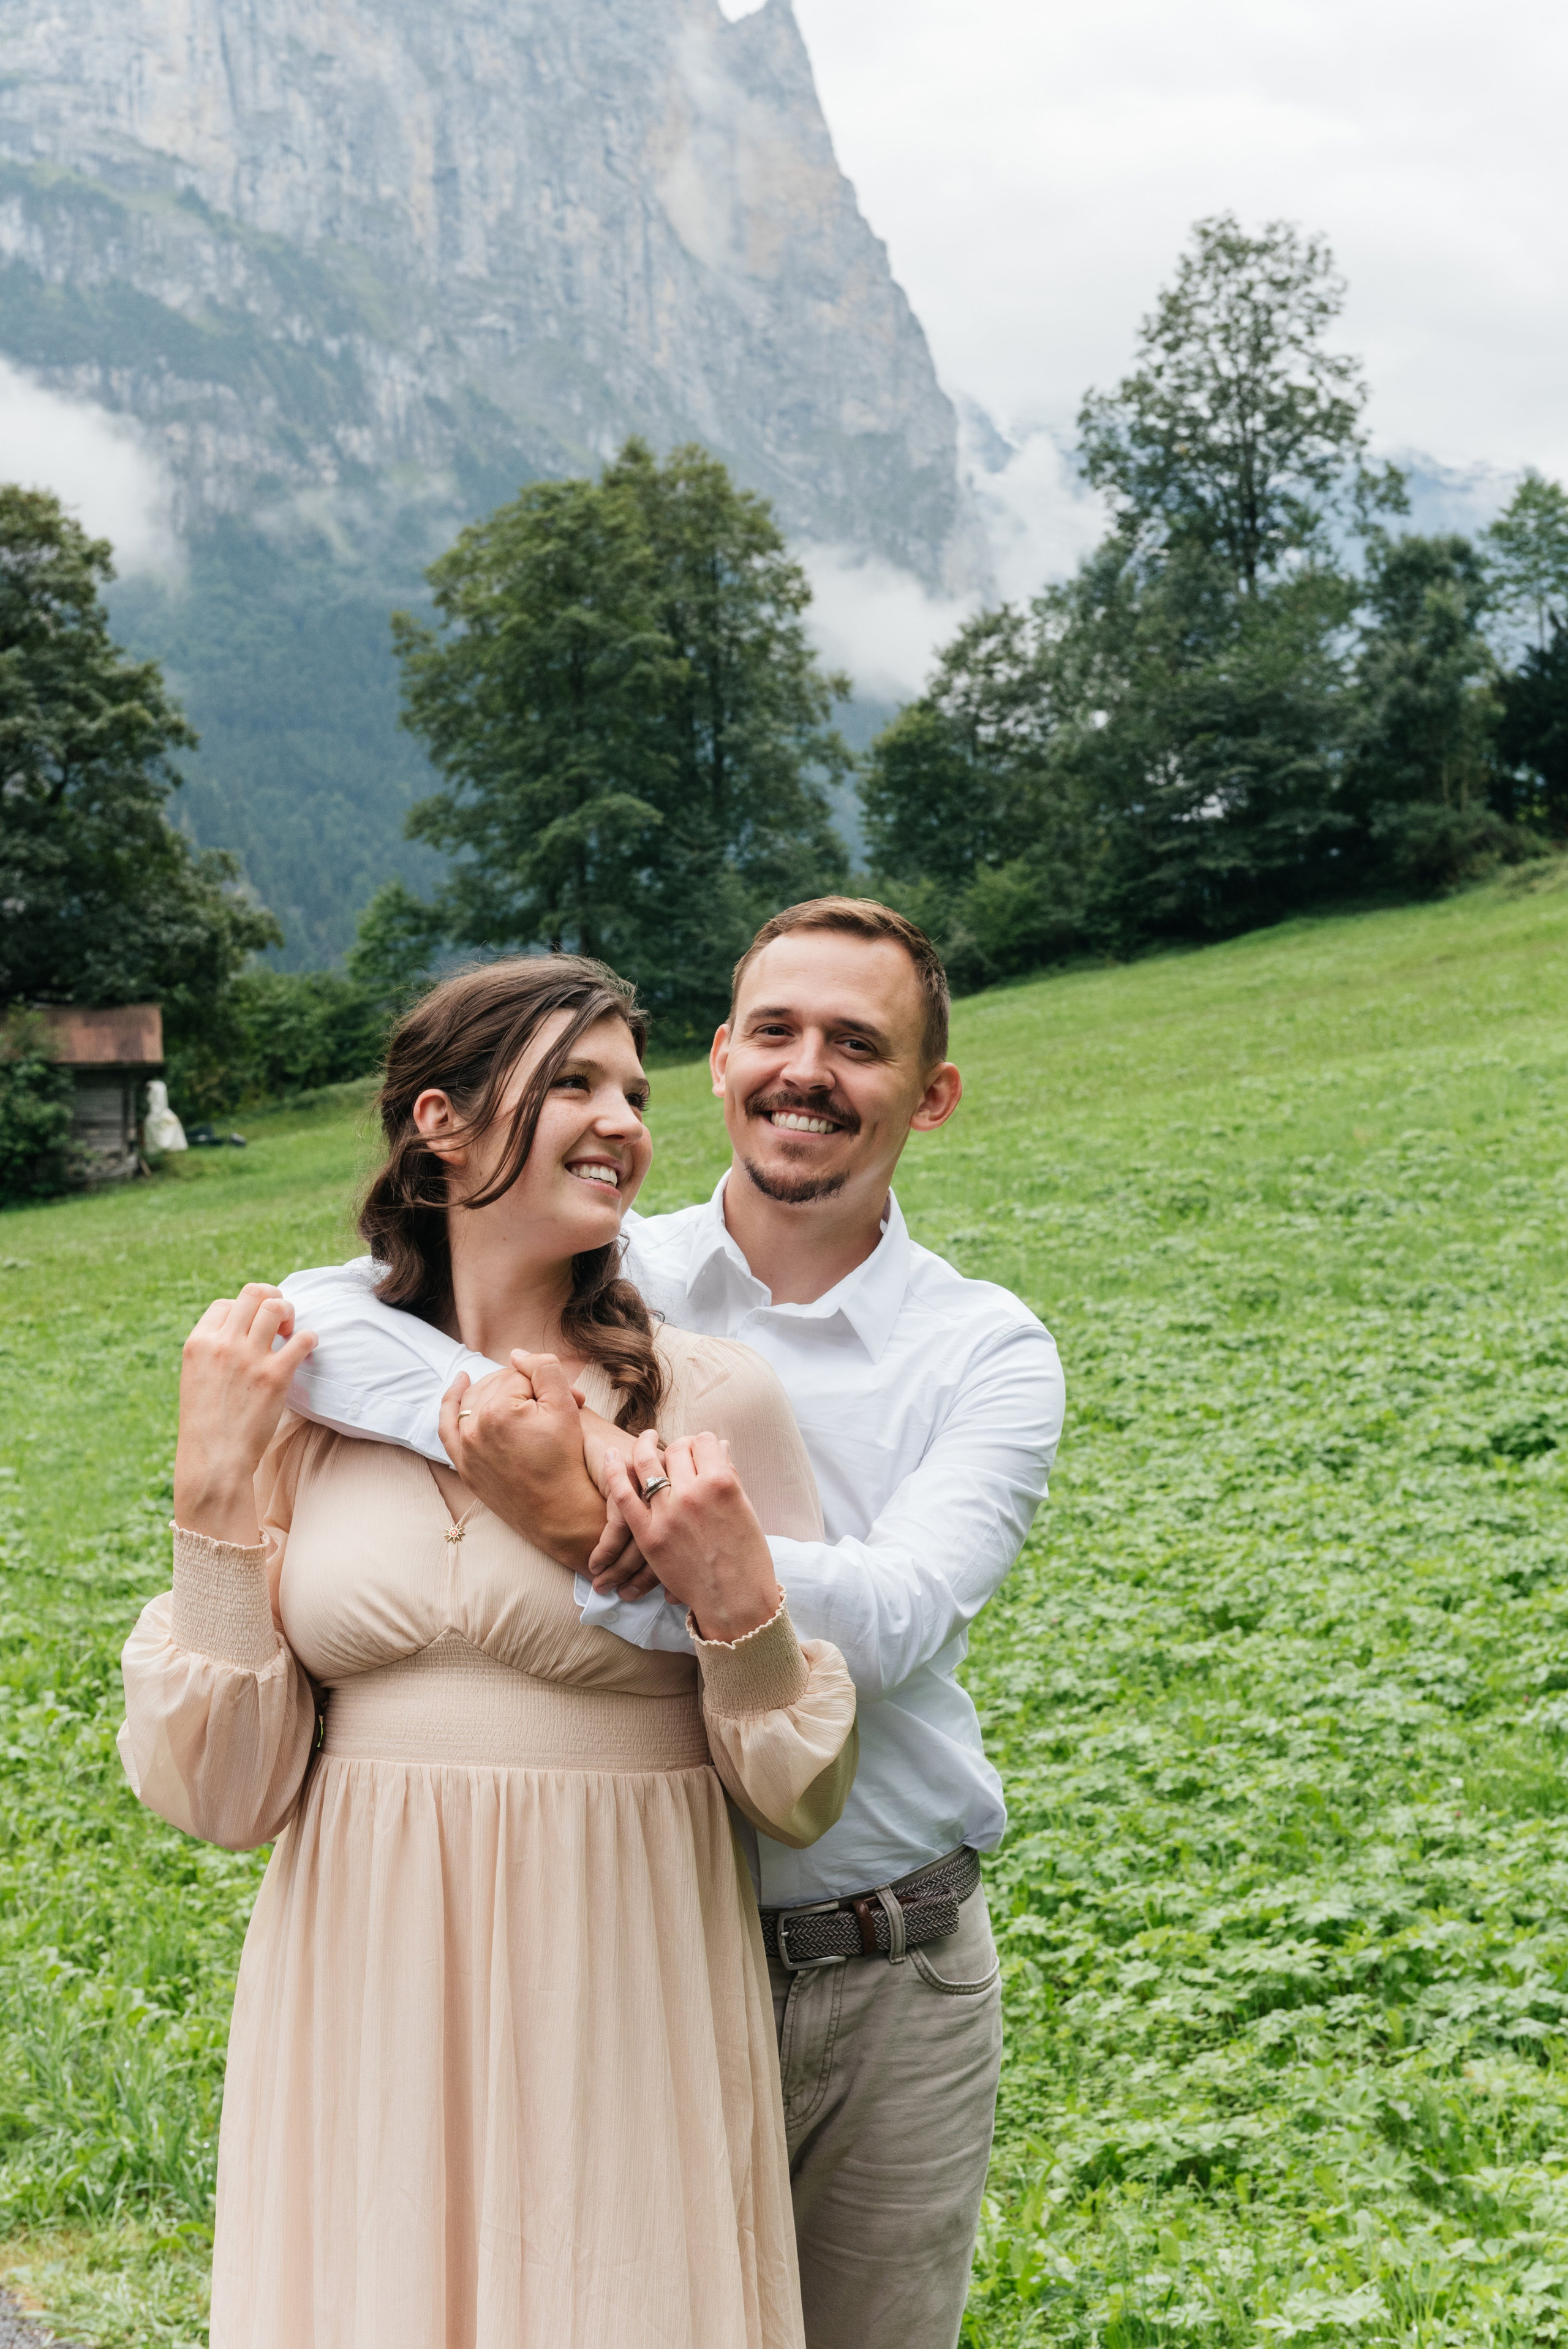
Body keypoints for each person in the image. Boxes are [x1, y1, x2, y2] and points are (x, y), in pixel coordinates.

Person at [282, 897, 1067, 2349]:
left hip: (881, 1961)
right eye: (774, 1031)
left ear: (930, 1096)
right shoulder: (606, 1260)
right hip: (627, 1949)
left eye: (857, 1045)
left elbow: (894, 1620)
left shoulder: (983, 1349)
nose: (804, 1071)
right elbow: (314, 1321)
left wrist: (618, 1530)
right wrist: (523, 1433)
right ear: (719, 1060)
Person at [117, 956, 859, 2349]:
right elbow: (222, 1794)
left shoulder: (707, 1398)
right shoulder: (305, 1398)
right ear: (440, 1125)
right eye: (574, 1081)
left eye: (635, 1092)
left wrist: (735, 1609)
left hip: (620, 1971)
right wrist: (212, 1491)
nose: (622, 1120)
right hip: (362, 1976)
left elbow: (798, 1787)